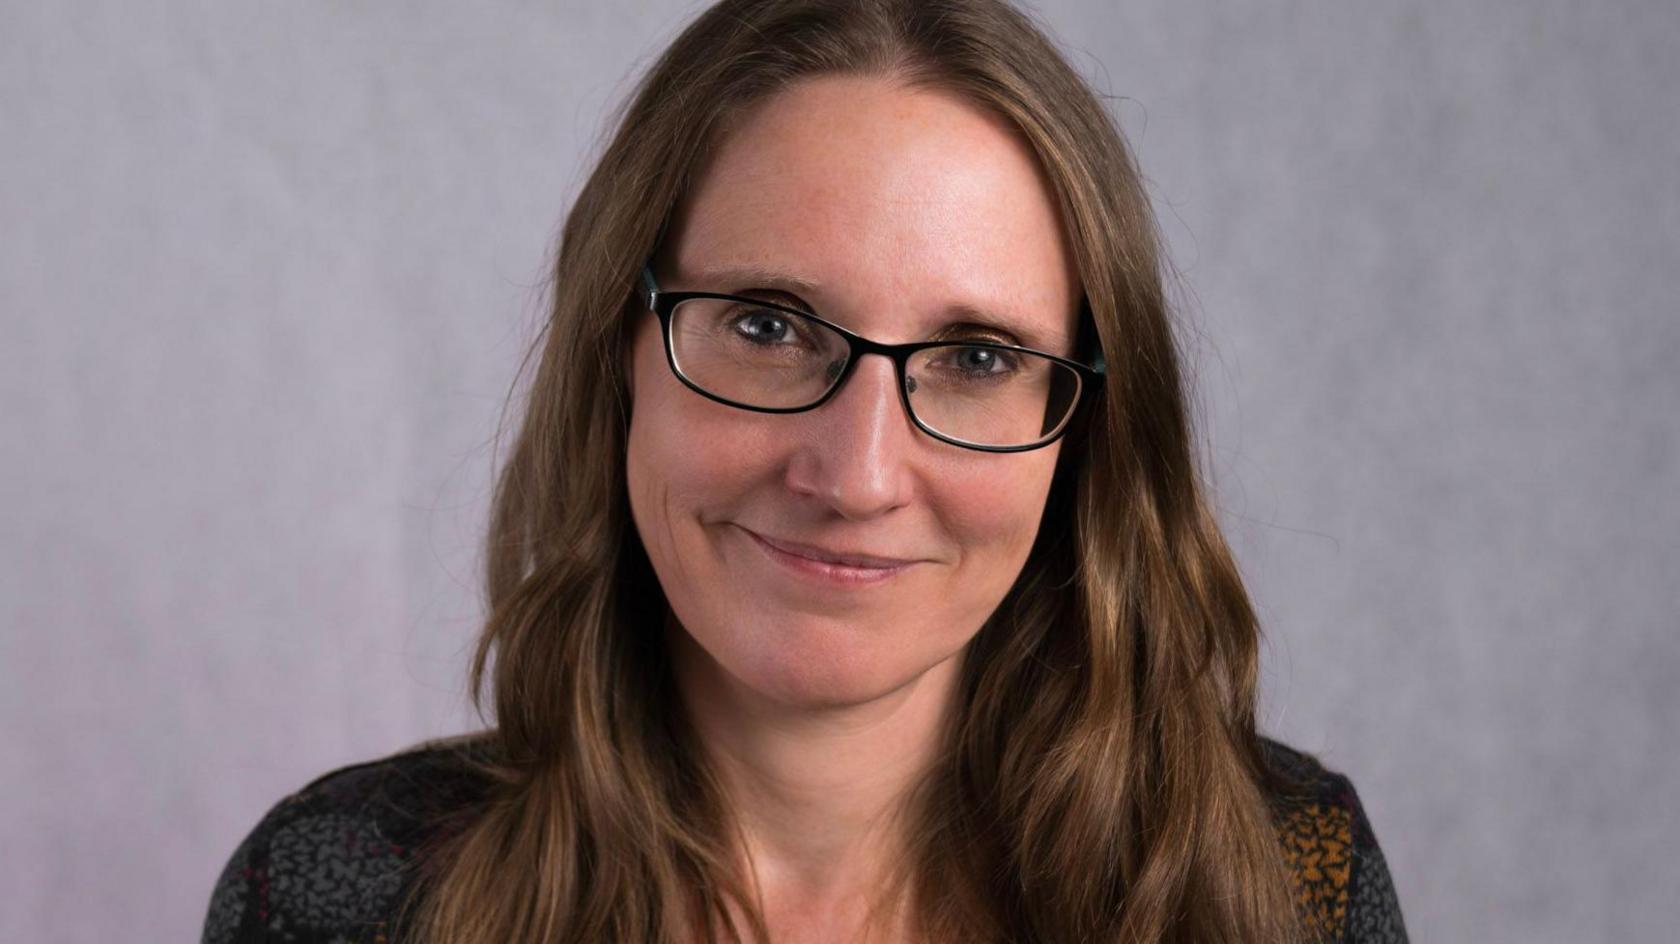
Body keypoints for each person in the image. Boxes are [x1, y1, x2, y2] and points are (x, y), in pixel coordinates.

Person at [201, 1, 1408, 942]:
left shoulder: (1280, 879)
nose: (859, 472)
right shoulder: (345, 894)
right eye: (770, 326)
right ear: (621, 349)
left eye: (976, 355)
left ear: (1081, 424)